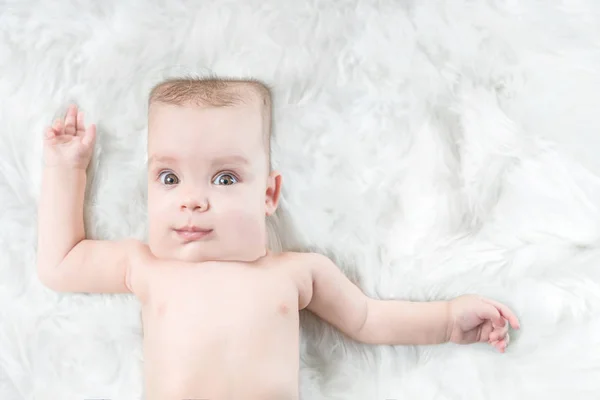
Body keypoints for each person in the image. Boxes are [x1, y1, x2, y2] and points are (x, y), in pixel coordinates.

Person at [36, 77, 520, 400]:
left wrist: (448, 320)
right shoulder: (145, 266)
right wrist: (67, 168)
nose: (192, 201)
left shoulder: (296, 271)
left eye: (224, 179)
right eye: (168, 178)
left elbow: (369, 318)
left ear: (268, 194)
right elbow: (61, 263)